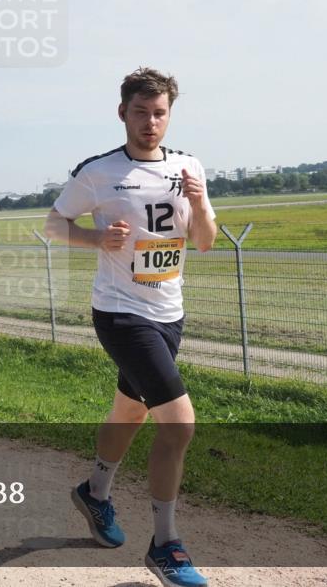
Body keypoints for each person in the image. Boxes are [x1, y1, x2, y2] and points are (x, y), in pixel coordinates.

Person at [45, 67, 216, 587]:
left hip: (169, 313)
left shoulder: (189, 166)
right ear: (123, 113)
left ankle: (94, 494)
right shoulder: (98, 172)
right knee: (180, 424)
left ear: (170, 115)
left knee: (129, 409)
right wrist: (98, 240)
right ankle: (165, 545)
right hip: (121, 314)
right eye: (140, 112)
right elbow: (54, 225)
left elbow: (205, 241)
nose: (150, 122)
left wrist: (202, 200)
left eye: (159, 112)